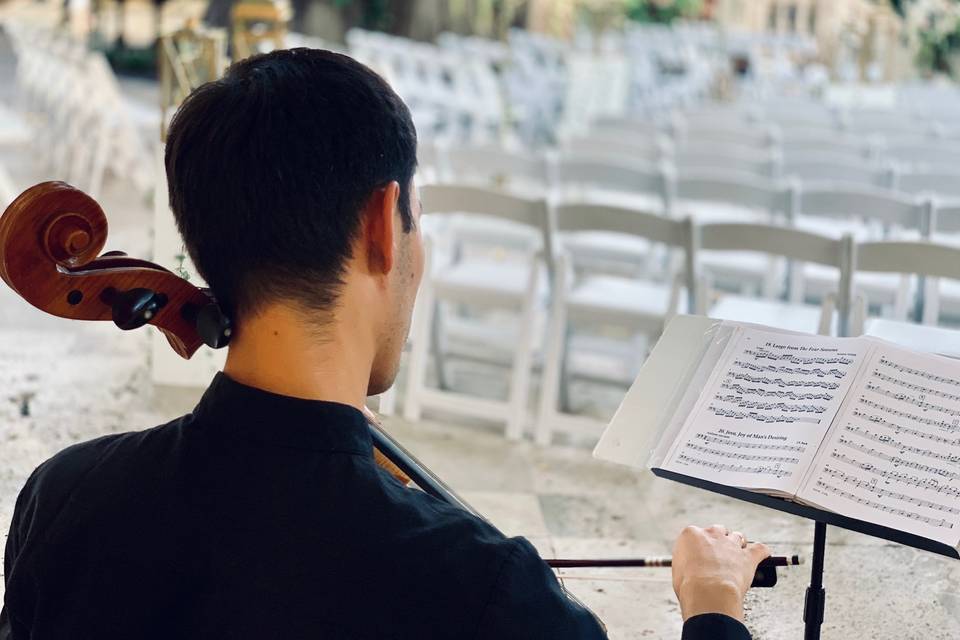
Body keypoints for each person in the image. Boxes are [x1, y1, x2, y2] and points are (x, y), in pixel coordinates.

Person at [0, 48, 769, 639]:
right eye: (418, 218)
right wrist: (712, 608)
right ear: (381, 225)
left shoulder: (65, 500)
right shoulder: (486, 596)